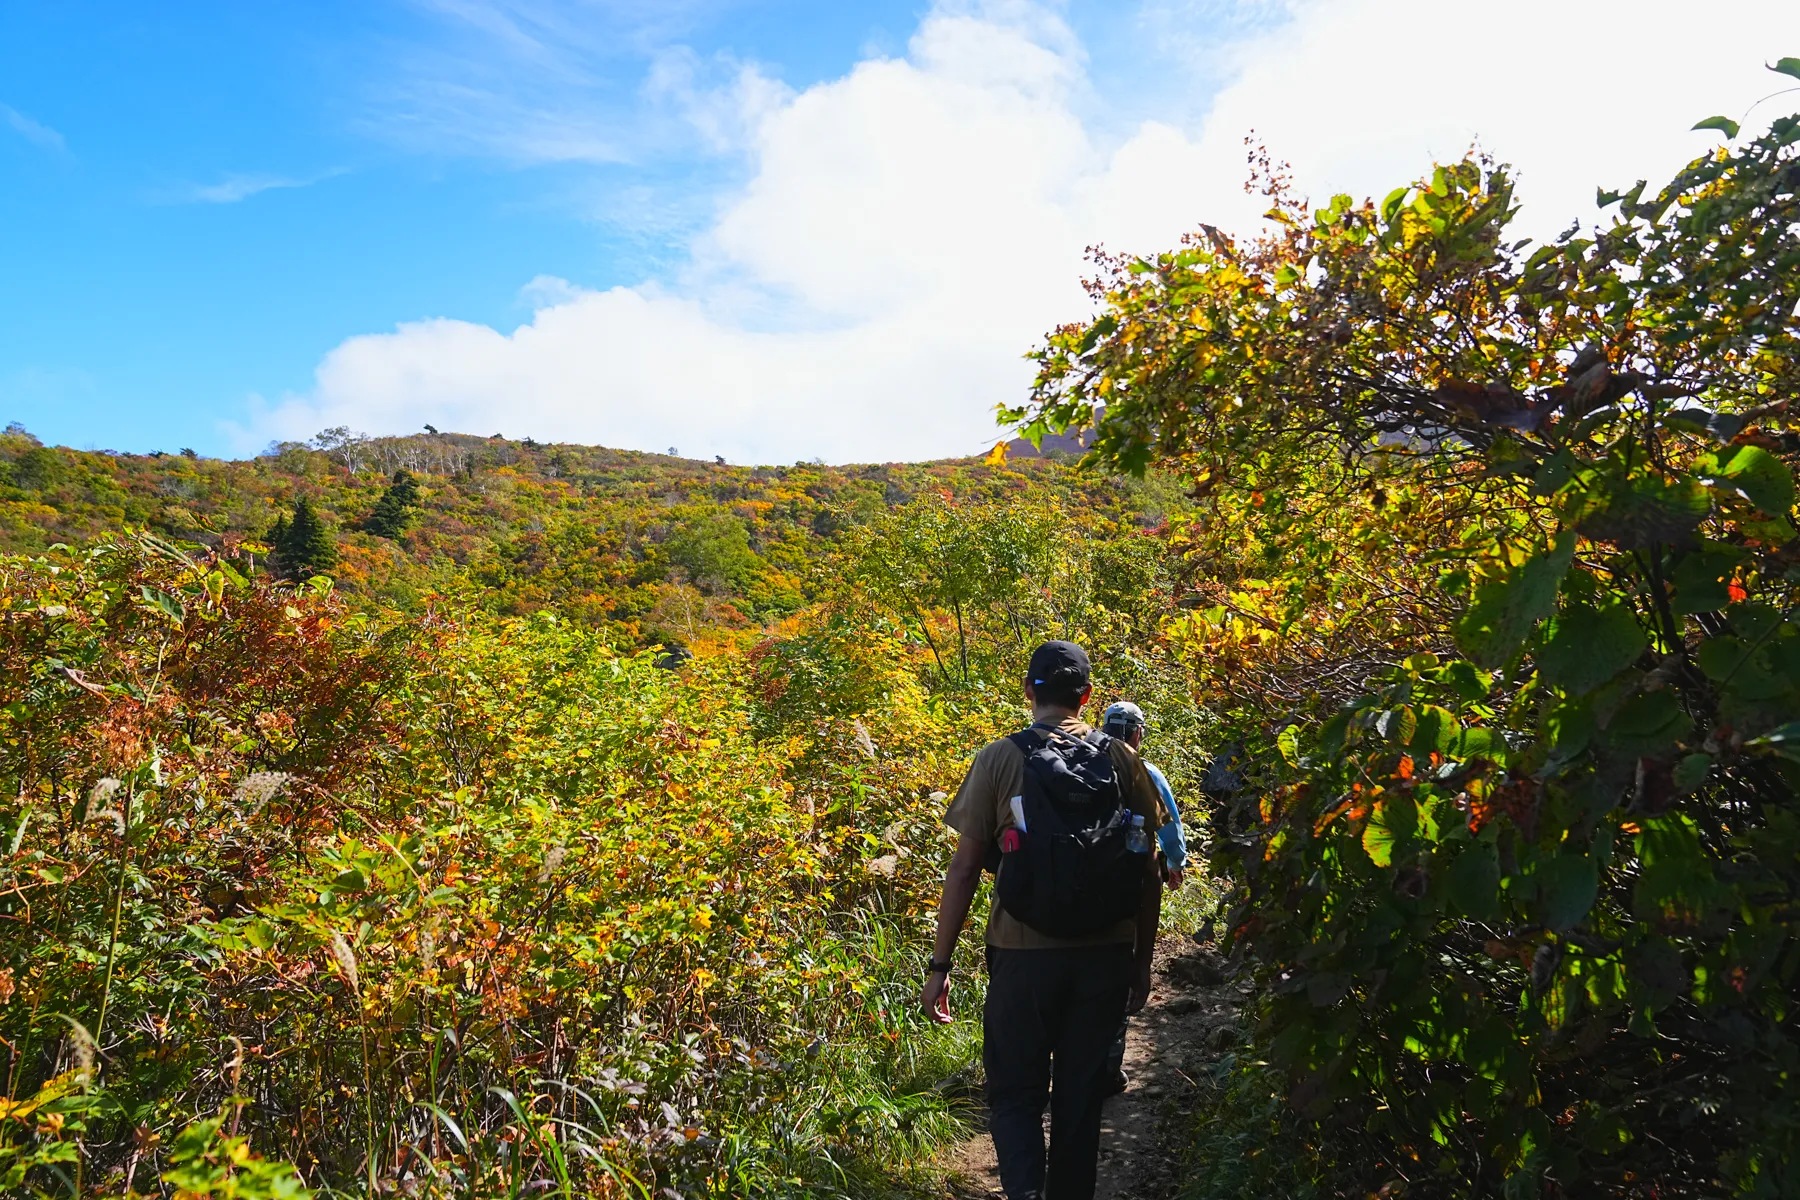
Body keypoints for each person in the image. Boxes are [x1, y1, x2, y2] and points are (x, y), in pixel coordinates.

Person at [919, 641, 1165, 1200]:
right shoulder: (1124, 760)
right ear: (1087, 696)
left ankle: (1026, 1193)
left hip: (1021, 955)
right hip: (1105, 955)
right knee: (1080, 1098)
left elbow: (962, 872)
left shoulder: (1001, 758)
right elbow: (1147, 871)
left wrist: (940, 965)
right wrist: (1140, 963)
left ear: (1029, 691)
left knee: (1014, 1092)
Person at [1097, 701, 1186, 1096]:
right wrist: (1176, 863)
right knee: (1120, 974)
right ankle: (1108, 1068)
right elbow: (1169, 824)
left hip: (1076, 890)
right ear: (1137, 733)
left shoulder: (1081, 765)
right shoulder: (1146, 772)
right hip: (1129, 890)